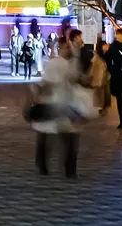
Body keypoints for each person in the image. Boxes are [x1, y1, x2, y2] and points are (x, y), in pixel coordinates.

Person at [30, 27, 89, 176]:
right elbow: (76, 78)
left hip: (56, 103)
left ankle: (43, 163)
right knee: (68, 137)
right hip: (60, 104)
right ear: (62, 47)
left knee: (50, 134)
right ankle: (68, 169)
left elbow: (48, 82)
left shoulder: (58, 64)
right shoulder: (62, 64)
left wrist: (38, 91)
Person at [90, 37, 112, 115]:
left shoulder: (107, 54)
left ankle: (103, 108)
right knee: (101, 94)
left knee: (105, 94)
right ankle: (101, 109)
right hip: (99, 78)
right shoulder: (97, 56)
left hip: (105, 78)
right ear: (101, 46)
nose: (106, 46)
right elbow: (93, 68)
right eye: (105, 45)